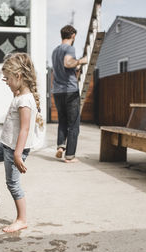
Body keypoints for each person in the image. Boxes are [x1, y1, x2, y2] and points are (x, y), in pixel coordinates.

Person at [0, 52, 42, 233]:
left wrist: (18, 153)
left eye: (8, 79)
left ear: (18, 77)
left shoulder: (25, 101)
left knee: (13, 183)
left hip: (13, 150)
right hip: (5, 144)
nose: (7, 83)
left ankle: (22, 219)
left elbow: (25, 129)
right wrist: (14, 88)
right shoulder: (20, 96)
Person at [51, 25, 87, 163]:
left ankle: (61, 146)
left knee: (62, 121)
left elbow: (64, 66)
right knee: (73, 124)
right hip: (70, 90)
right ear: (73, 35)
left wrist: (75, 66)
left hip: (57, 91)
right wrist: (81, 61)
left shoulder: (55, 51)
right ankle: (70, 156)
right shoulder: (69, 48)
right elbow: (67, 63)